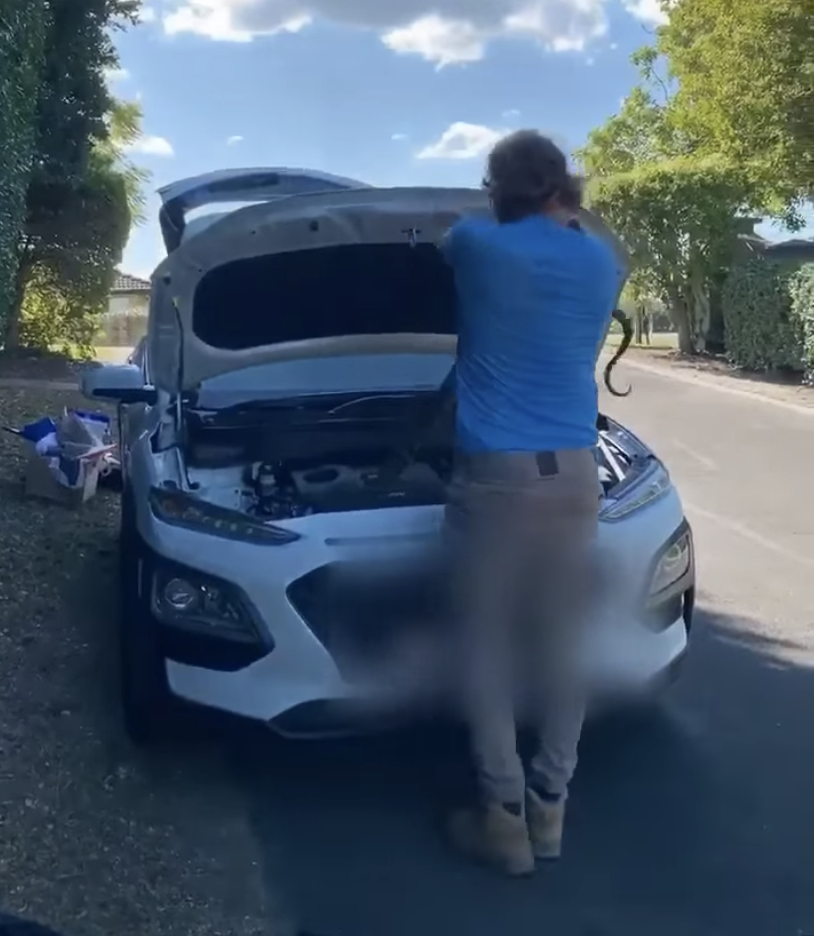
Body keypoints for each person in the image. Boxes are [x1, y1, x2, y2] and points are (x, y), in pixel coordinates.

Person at [440, 130, 623, 876]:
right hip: (576, 478)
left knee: (486, 648)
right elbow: (585, 233)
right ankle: (551, 806)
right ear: (564, 189)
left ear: (501, 189)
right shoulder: (601, 259)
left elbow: (458, 236)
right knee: (562, 649)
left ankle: (502, 816)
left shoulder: (479, 246)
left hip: (496, 480)